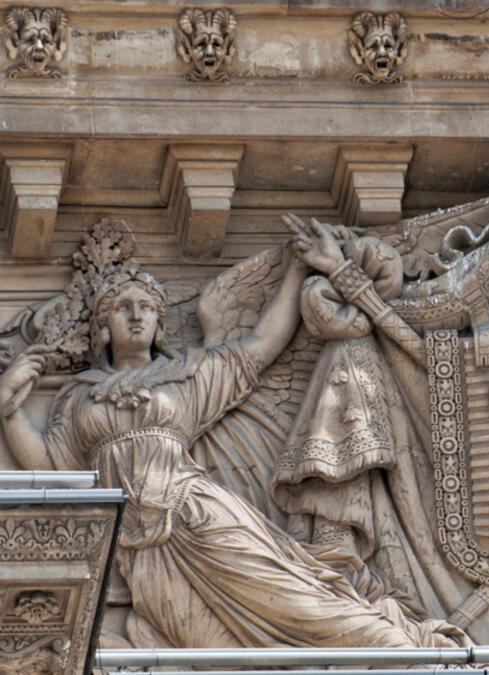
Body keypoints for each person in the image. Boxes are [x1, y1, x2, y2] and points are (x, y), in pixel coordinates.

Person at [0, 232, 462, 650]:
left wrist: (297, 270)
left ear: (161, 324)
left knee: (289, 598)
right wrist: (9, 408)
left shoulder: (185, 377)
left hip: (197, 512)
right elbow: (52, 469)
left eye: (147, 308)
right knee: (204, 643)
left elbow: (262, 345)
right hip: (140, 550)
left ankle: (388, 644)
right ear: (103, 327)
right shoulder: (78, 397)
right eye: (123, 309)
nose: (137, 316)